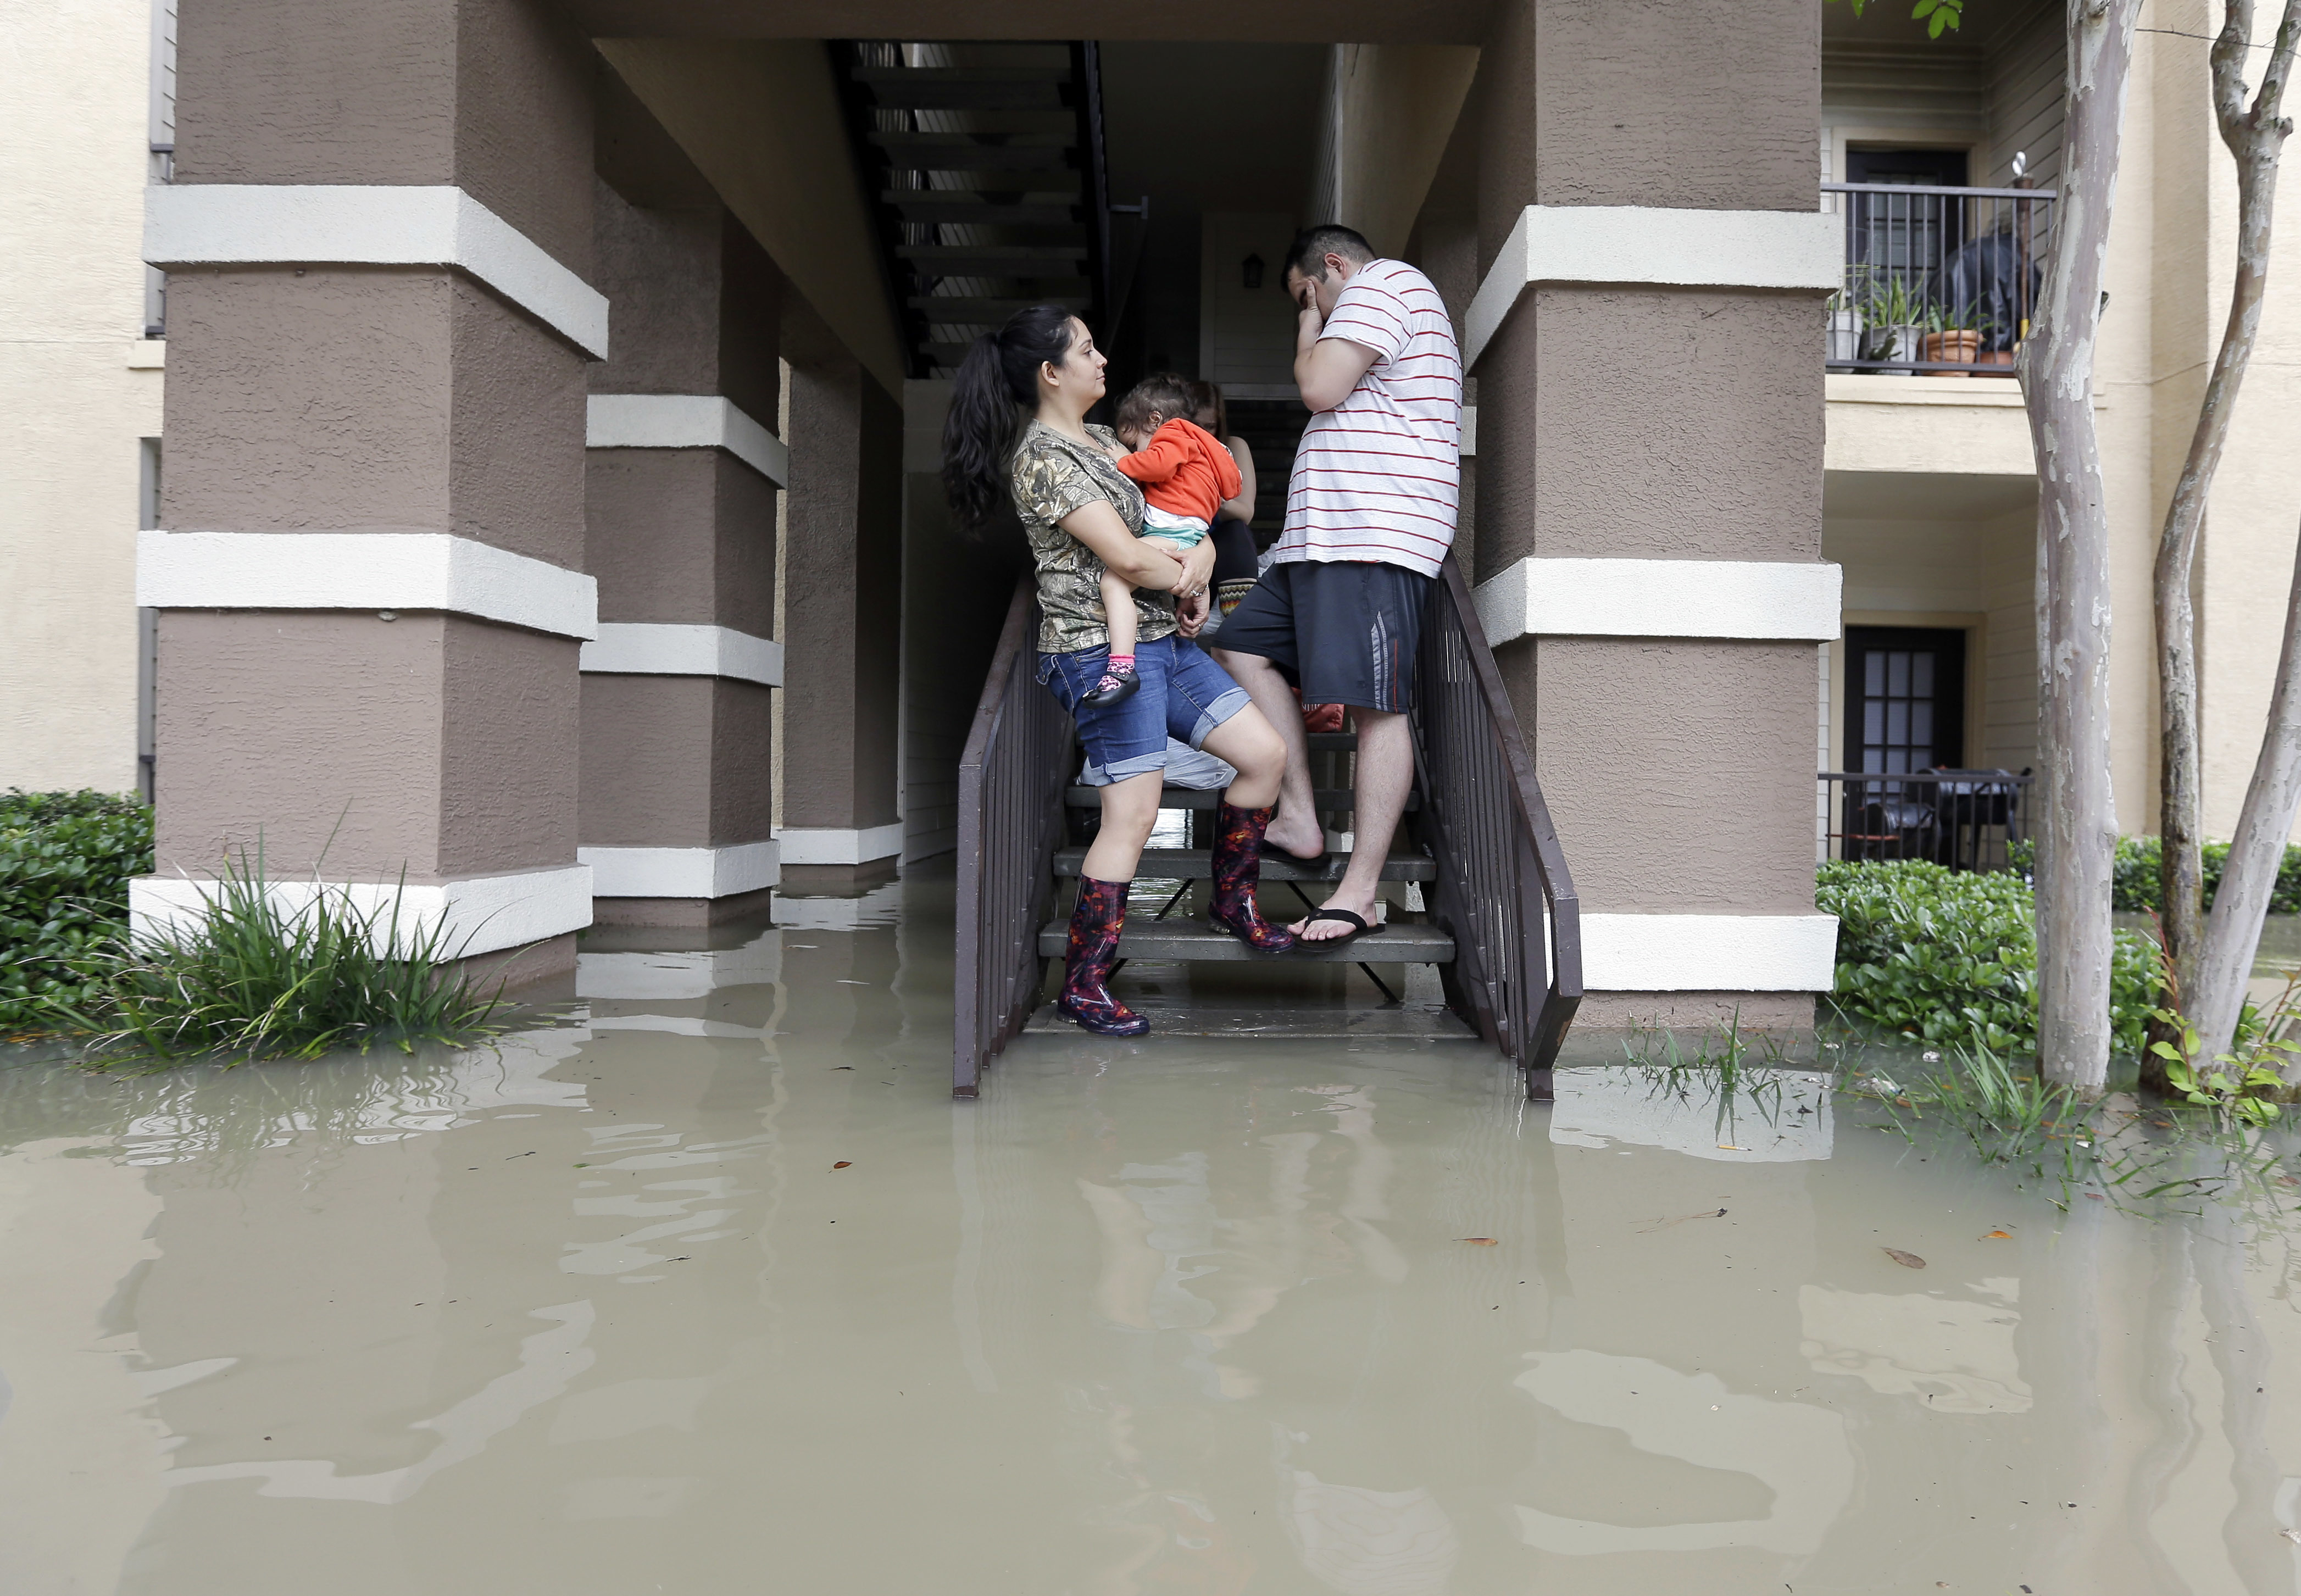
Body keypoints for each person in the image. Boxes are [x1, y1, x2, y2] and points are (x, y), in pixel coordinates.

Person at [941, 306, 1298, 1038]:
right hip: (1098, 652)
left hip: (1164, 640)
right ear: (1051, 372)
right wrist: (1184, 567)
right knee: (1132, 814)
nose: (1103, 359)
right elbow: (1130, 558)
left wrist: (1198, 566)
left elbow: (1185, 519)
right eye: (1087, 349)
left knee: (1265, 754)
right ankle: (1085, 981)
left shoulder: (1105, 439)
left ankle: (1233, 901)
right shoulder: (1042, 458)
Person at [1212, 225, 1463, 947]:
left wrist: (1308, 325)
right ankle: (1298, 814)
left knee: (1374, 709)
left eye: (1307, 293)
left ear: (1330, 267)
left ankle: (1359, 894)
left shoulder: (1385, 282)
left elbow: (1319, 387)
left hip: (1375, 535)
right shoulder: (1381, 297)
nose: (1310, 309)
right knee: (1243, 647)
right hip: (1322, 545)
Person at [1082, 374, 1242, 707]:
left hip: (1172, 530)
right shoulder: (1198, 448)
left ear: (1153, 420)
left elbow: (1157, 464)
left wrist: (1120, 461)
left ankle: (1122, 667)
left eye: (1133, 440)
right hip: (1184, 532)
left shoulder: (1174, 433)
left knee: (1113, 582)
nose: (1133, 450)